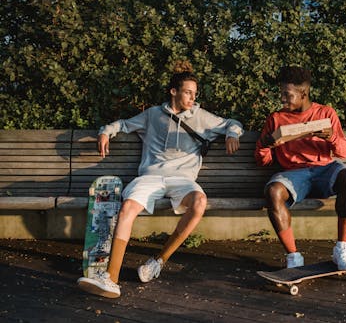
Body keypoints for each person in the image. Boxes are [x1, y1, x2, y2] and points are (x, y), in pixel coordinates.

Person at [77, 60, 244, 298]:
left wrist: (231, 134)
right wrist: (106, 131)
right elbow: (124, 125)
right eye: (188, 92)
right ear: (173, 91)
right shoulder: (153, 114)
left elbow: (232, 123)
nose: (192, 98)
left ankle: (159, 260)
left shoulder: (200, 116)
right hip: (151, 176)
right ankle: (111, 279)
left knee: (199, 202)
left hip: (182, 180)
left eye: (195, 94)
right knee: (127, 209)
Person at [254, 65, 346, 270]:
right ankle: (293, 256)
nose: (282, 99)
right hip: (293, 174)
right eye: (281, 93)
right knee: (273, 191)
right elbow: (262, 161)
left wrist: (330, 136)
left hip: (324, 170)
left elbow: (344, 151)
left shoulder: (326, 113)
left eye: (287, 94)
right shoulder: (276, 119)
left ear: (303, 94)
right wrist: (266, 145)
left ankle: (342, 248)